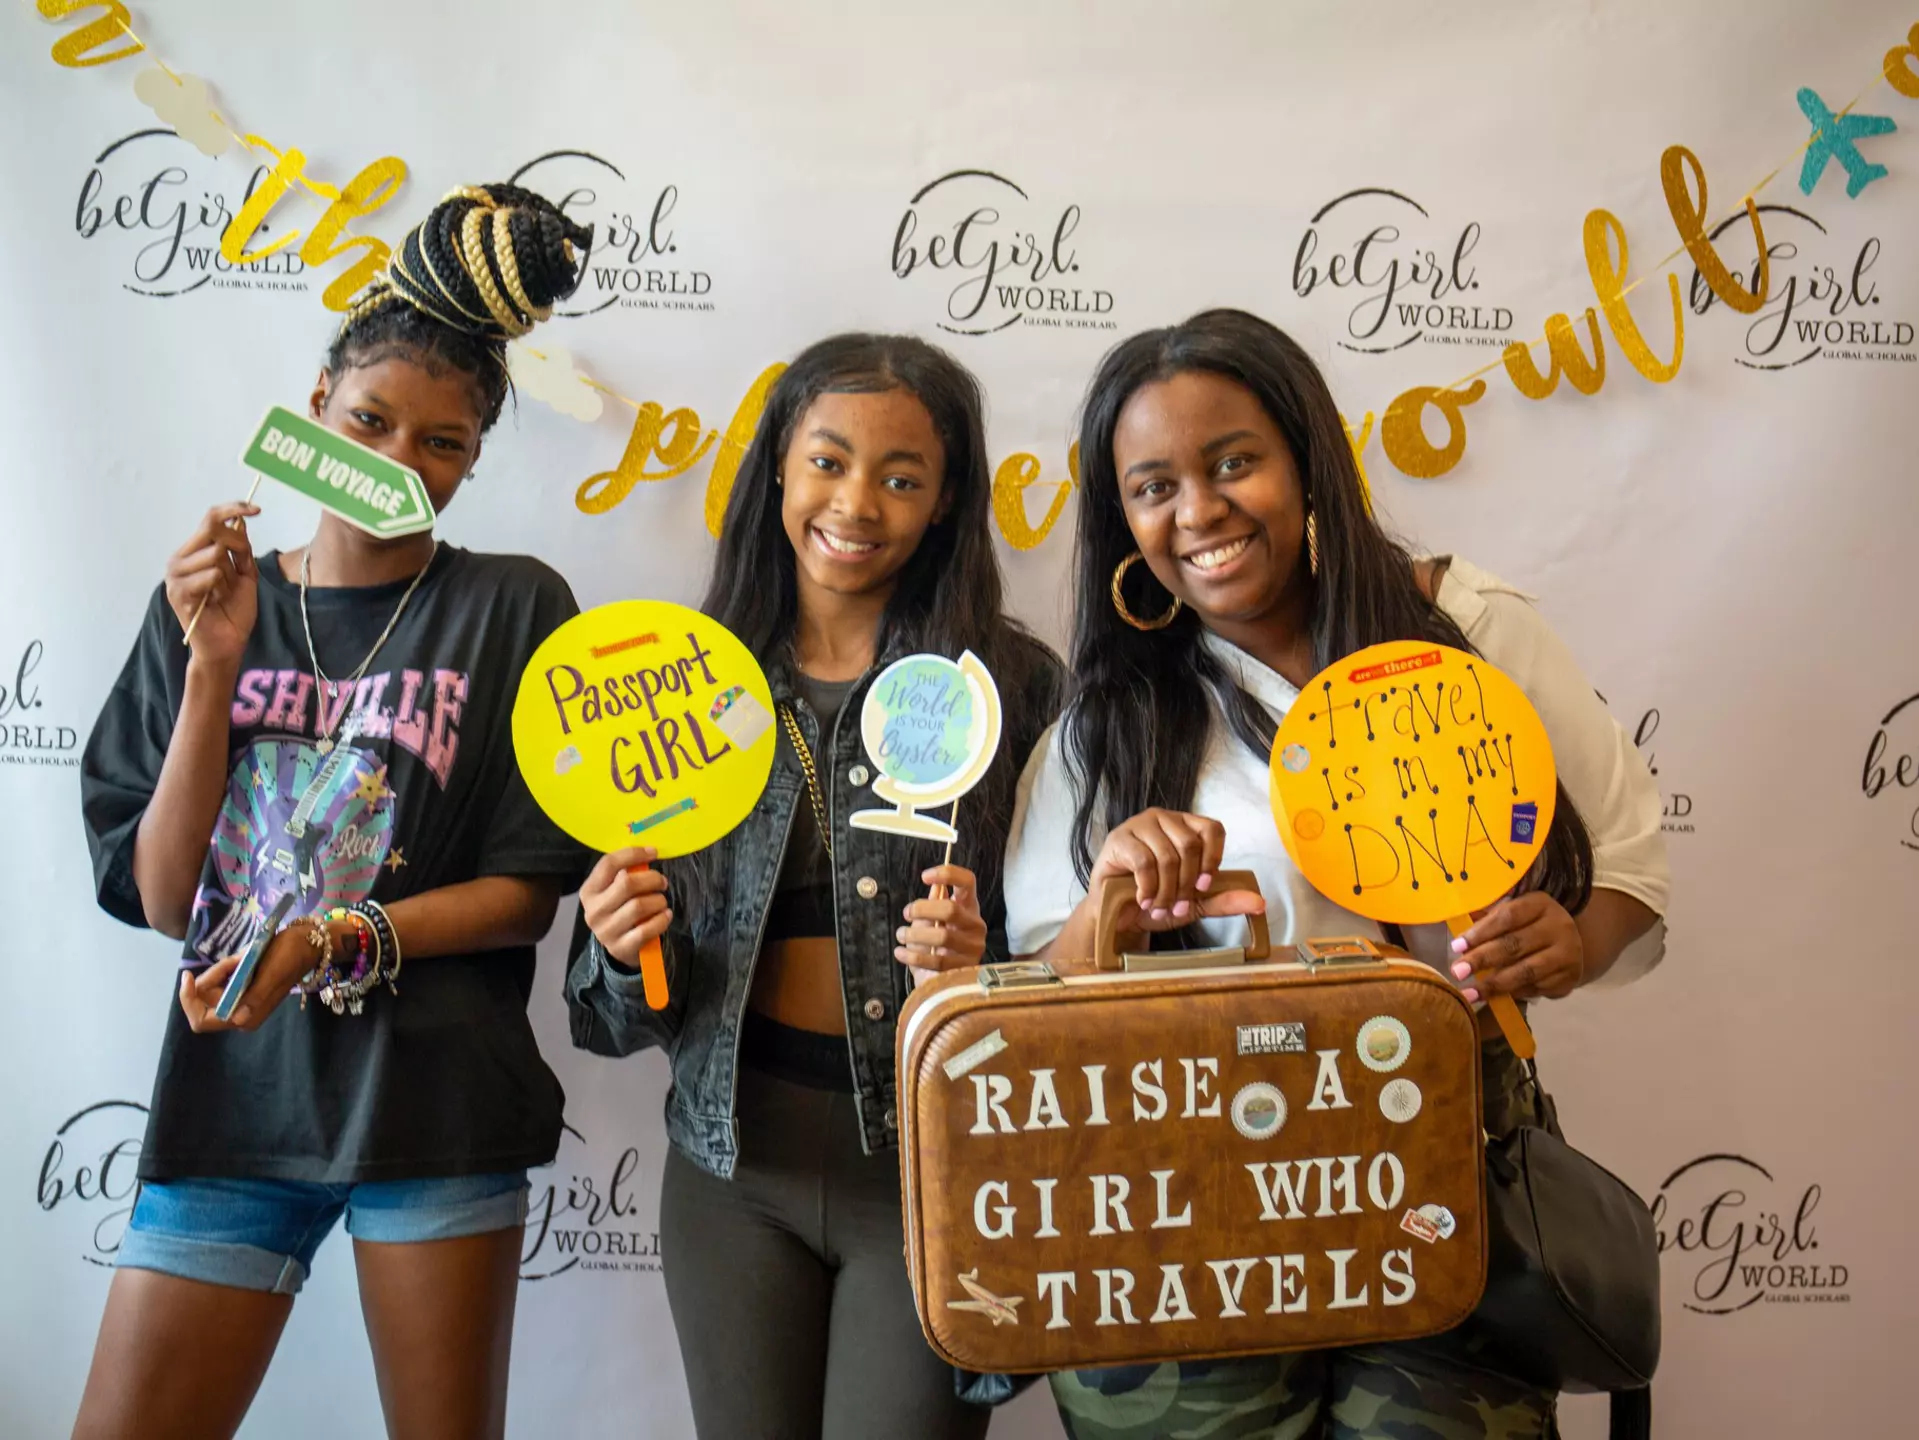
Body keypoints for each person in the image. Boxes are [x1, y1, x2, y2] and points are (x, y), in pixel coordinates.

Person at [1002, 308, 1669, 1440]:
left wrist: (1569, 939)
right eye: (1152, 485)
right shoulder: (1105, 725)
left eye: (1232, 464)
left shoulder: (1461, 626)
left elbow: (1628, 872)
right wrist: (1107, 911)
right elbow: (1027, 1004)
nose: (1198, 512)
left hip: (1438, 1179)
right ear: (1122, 520)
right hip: (1181, 1204)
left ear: (1306, 464)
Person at [76, 184, 596, 1440]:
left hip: (437, 1114)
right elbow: (162, 900)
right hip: (227, 1108)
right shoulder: (209, 600)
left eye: (443, 444)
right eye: (370, 421)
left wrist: (334, 935)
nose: (398, 464)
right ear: (316, 409)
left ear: (474, 460)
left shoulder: (516, 605)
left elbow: (528, 890)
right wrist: (211, 667)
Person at [566, 333, 1062, 1440]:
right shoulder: (682, 684)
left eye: (901, 478)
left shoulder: (1011, 687)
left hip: (930, 1173)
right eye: (828, 462)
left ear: (943, 504)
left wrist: (988, 974)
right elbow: (603, 1023)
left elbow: (1069, 975)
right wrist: (612, 942)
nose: (857, 502)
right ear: (777, 473)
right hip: (730, 1173)